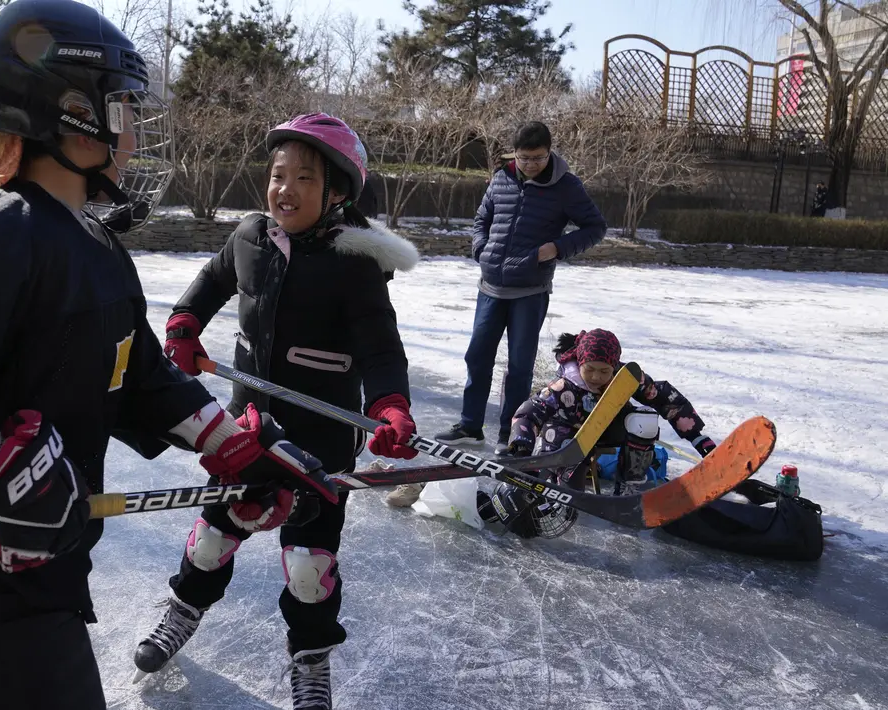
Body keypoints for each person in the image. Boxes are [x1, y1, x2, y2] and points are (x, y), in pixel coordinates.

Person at [0, 3, 336, 708]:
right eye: (122, 103)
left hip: (30, 556)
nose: (134, 126)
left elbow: (137, 373)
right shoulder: (3, 230)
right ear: (68, 110)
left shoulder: (94, 244)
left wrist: (232, 447)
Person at [132, 113, 420, 709]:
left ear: (336, 191)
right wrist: (185, 324)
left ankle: (310, 659)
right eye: (277, 175)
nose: (284, 189)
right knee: (212, 540)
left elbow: (380, 347)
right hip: (244, 435)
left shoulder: (355, 264)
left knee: (310, 569)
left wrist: (391, 407)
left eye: (303, 178)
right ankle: (184, 609)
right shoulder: (250, 236)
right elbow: (212, 281)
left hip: (321, 443)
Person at [436, 122, 607, 455]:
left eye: (538, 158)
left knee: (519, 366)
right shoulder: (502, 177)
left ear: (549, 152)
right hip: (490, 285)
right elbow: (482, 218)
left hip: (530, 290)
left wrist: (555, 249)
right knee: (477, 356)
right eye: (524, 157)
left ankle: (509, 434)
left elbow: (595, 227)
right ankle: (470, 426)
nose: (530, 164)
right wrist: (480, 248)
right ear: (514, 153)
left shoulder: (566, 186)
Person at [476, 329, 717, 539]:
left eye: (605, 371)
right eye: (590, 369)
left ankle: (629, 483)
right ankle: (548, 492)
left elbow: (664, 397)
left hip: (608, 429)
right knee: (572, 498)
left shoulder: (625, 378)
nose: (596, 377)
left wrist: (698, 438)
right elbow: (529, 412)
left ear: (615, 366)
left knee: (643, 420)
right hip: (566, 435)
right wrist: (522, 445)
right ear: (580, 362)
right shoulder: (564, 385)